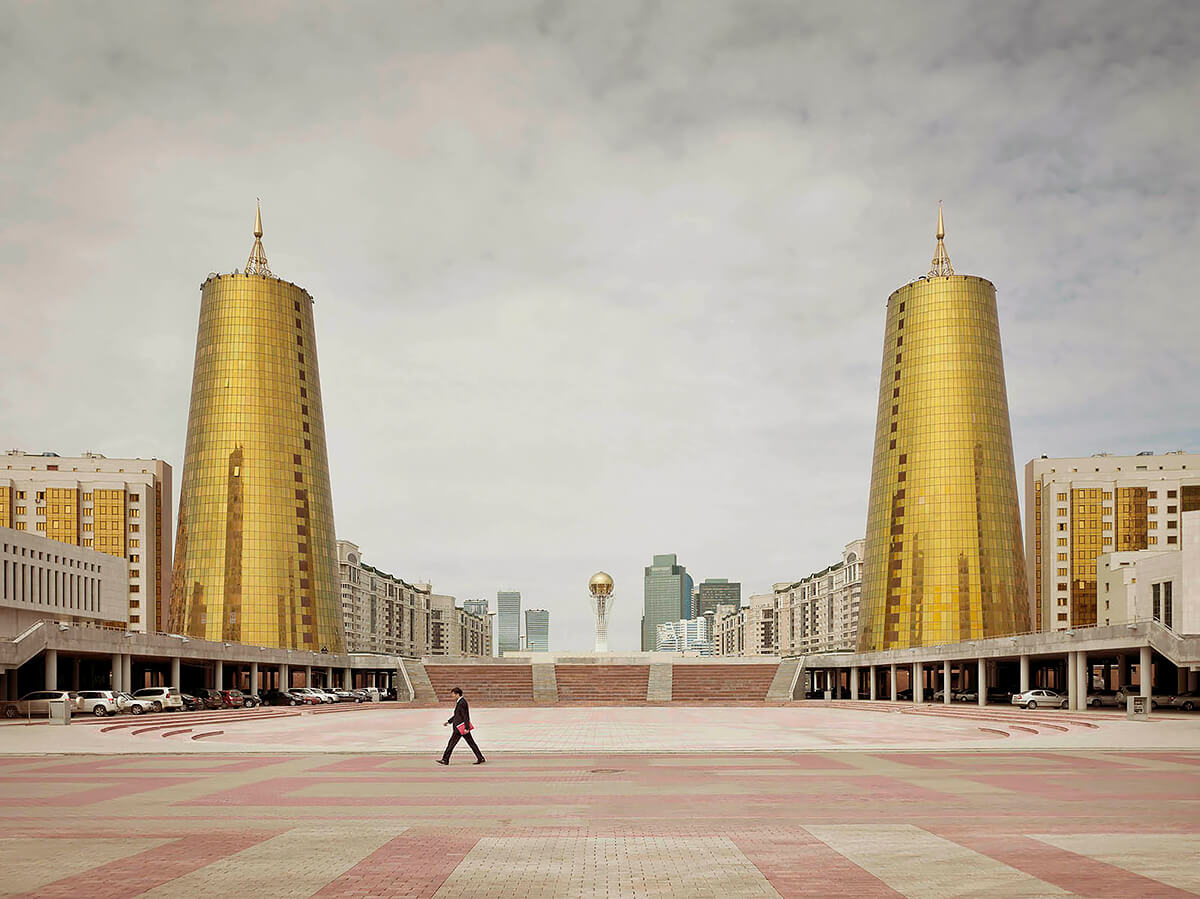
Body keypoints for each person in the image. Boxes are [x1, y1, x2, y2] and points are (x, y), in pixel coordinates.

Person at [437, 686, 485, 765]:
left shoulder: (462, 702)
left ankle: (445, 760)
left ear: (457, 694)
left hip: (460, 728)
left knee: (451, 743)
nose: (452, 696)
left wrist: (466, 727)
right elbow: (457, 715)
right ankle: (480, 757)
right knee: (471, 743)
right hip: (461, 727)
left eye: (453, 694)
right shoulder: (460, 702)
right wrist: (449, 722)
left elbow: (465, 716)